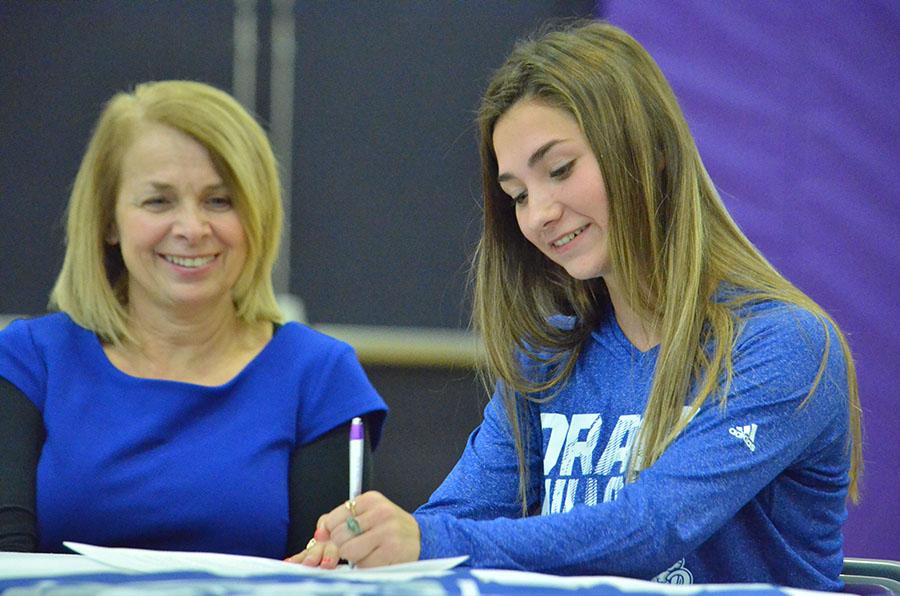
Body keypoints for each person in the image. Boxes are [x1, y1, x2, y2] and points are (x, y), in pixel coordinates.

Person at [290, 20, 862, 590]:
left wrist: (428, 543)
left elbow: (655, 527)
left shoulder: (784, 345)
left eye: (560, 170)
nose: (538, 214)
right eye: (517, 194)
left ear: (651, 152)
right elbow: (454, 520)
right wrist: (360, 552)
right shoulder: (548, 355)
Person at [0, 80, 387, 559]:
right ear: (108, 221)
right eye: (158, 201)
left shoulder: (320, 377)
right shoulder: (27, 362)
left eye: (219, 201)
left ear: (257, 216)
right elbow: (7, 565)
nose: (191, 229)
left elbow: (324, 574)